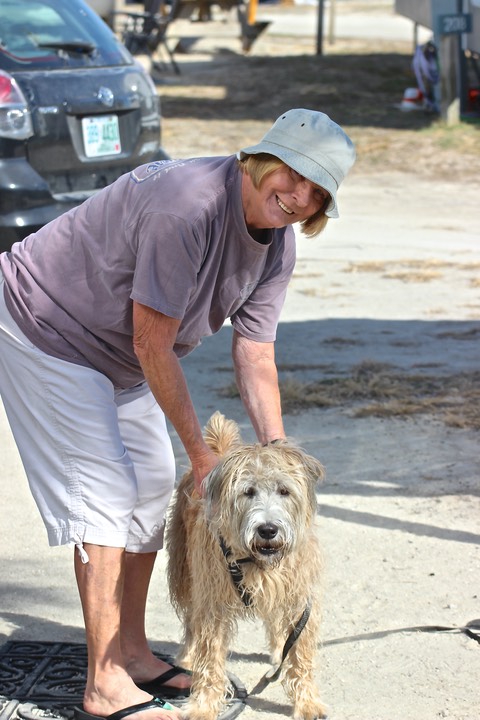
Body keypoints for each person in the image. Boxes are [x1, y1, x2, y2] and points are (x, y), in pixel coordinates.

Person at [0, 108, 355, 720]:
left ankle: (132, 651)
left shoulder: (277, 246)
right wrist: (202, 453)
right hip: (47, 326)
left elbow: (256, 351)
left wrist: (278, 457)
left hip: (119, 349)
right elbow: (151, 343)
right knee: (107, 493)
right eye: (293, 177)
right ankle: (103, 679)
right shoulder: (187, 207)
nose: (299, 197)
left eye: (317, 192)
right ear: (261, 160)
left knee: (149, 489)